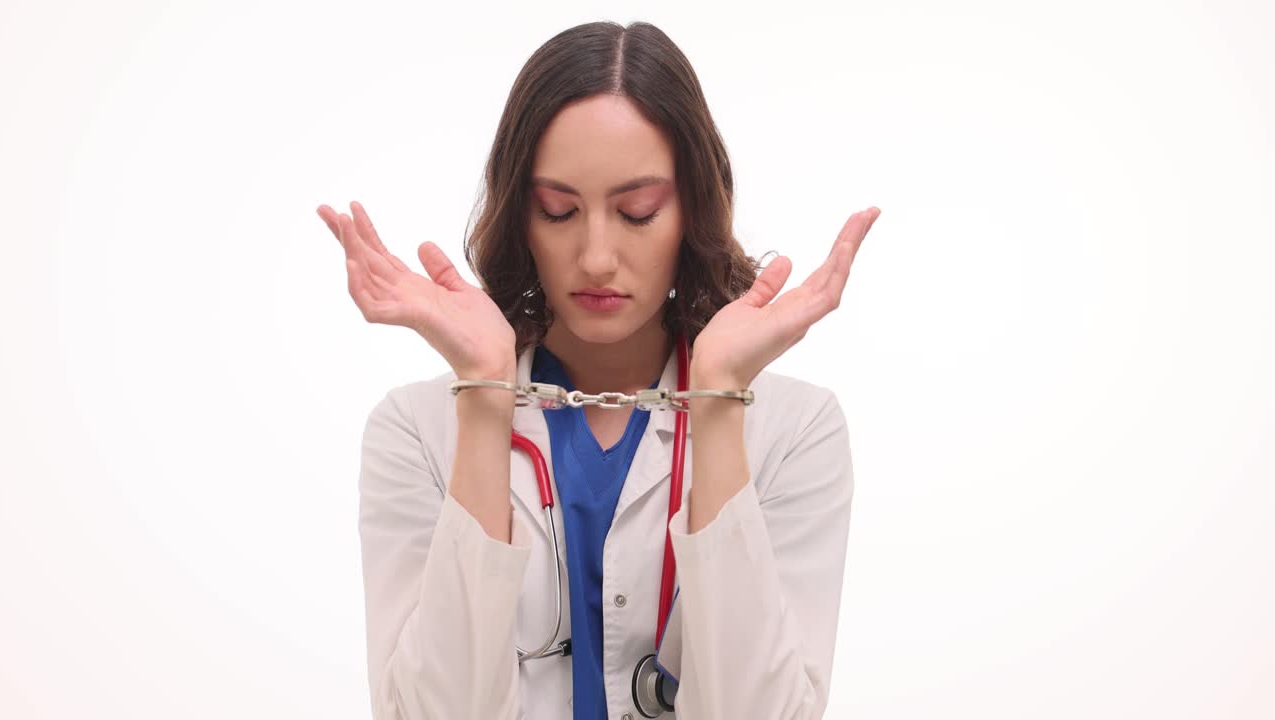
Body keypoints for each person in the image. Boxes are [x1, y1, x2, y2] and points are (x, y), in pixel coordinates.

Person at [316, 20, 880, 720]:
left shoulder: (796, 431)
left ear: (692, 209)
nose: (595, 258)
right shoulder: (416, 431)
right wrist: (484, 396)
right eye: (558, 211)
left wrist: (719, 404)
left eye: (637, 213)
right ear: (520, 215)